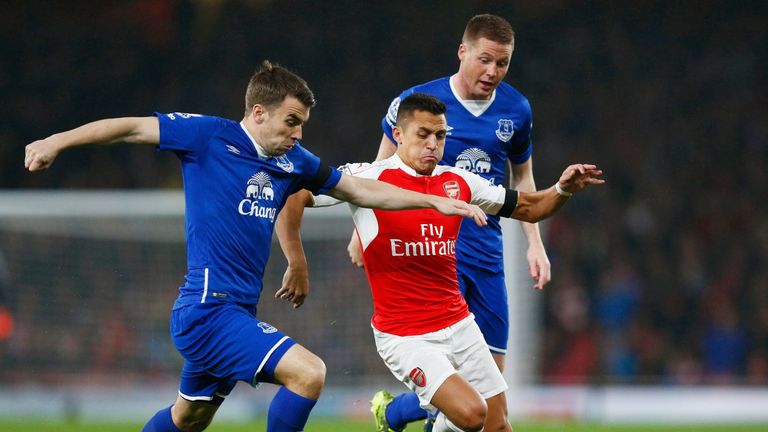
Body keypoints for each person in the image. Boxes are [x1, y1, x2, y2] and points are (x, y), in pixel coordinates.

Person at [23, 61, 485, 432]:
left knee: (189, 418)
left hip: (235, 312)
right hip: (206, 311)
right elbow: (130, 128)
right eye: (291, 121)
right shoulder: (207, 137)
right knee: (309, 373)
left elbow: (361, 191)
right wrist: (55, 141)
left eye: (302, 124)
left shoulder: (293, 161)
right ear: (258, 113)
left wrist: (431, 202)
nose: (298, 133)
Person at [279, 93, 603, 432]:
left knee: (498, 426)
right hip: (406, 336)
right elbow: (297, 193)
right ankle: (399, 414)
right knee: (472, 414)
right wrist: (297, 262)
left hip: (459, 324)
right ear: (399, 134)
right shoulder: (366, 178)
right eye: (423, 134)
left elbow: (530, 207)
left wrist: (562, 189)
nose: (433, 144)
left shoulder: (459, 181)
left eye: (441, 135)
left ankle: (399, 416)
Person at [343, 14, 548, 431]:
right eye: (485, 59)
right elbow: (381, 167)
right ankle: (399, 411)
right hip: (432, 246)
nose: (493, 71)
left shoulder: (516, 108)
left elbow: (522, 180)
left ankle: (395, 411)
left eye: (503, 63)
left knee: (490, 392)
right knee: (468, 402)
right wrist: (359, 229)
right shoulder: (419, 101)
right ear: (463, 52)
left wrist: (535, 242)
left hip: (485, 246)